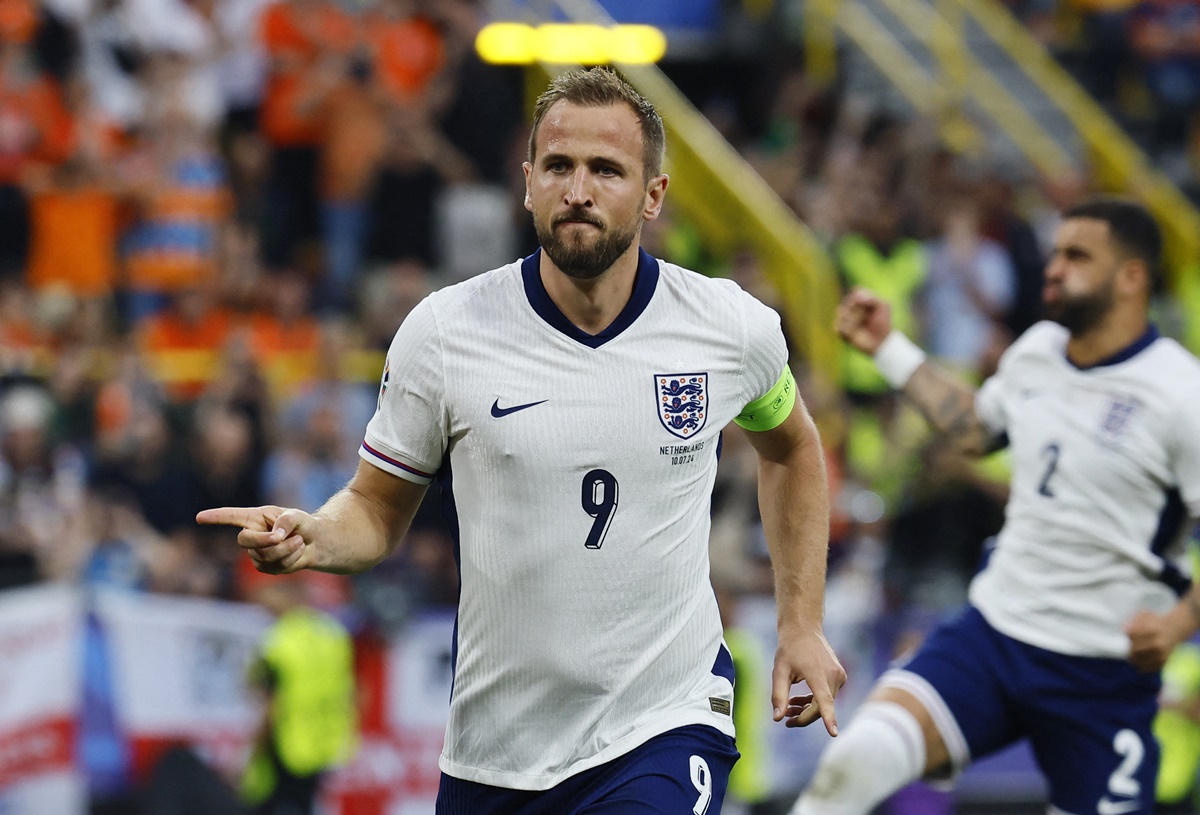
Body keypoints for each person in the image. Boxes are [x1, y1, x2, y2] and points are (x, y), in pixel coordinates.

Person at [198, 66, 846, 814]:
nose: (580, 189)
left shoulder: (730, 328)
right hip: (495, 752)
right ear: (528, 180)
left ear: (654, 194)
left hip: (663, 722)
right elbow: (376, 510)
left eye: (607, 170)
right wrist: (315, 535)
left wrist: (802, 622)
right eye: (560, 167)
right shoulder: (444, 334)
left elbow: (794, 448)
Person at [790, 197, 1200, 815]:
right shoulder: (1037, 351)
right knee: (854, 761)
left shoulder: (1180, 393)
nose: (1054, 268)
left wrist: (1176, 624)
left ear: (1132, 277)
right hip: (995, 634)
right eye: (1055, 252)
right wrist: (890, 349)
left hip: (1102, 670)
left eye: (1076, 256)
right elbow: (978, 429)